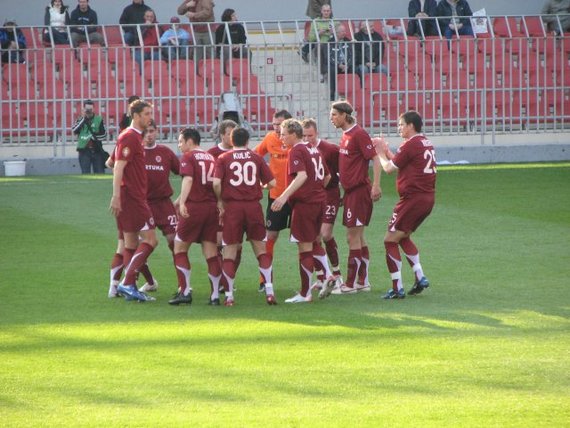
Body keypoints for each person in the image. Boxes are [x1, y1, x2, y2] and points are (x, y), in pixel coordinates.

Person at [374, 110, 436, 299]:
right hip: (427, 198)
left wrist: (379, 154)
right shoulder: (425, 142)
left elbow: (389, 168)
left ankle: (397, 288)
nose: (398, 128)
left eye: (401, 124)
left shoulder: (410, 144)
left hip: (412, 199)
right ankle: (420, 276)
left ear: (411, 125)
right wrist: (386, 151)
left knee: (389, 240)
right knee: (403, 237)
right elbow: (402, 161)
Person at [213, 127, 277, 306]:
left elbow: (216, 183)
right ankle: (270, 292)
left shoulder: (223, 158)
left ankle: (229, 296)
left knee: (230, 252)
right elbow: (272, 182)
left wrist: (220, 200)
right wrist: (258, 186)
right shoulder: (256, 157)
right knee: (261, 250)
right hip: (253, 207)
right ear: (248, 141)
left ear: (231, 140)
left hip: (232, 208)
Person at [271, 119, 331, 303]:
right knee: (314, 243)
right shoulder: (314, 149)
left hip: (306, 205)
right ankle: (327, 275)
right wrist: (317, 191)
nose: (281, 137)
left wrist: (283, 196)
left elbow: (302, 176)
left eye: (283, 133)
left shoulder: (297, 150)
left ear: (293, 134)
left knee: (304, 247)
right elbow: (327, 176)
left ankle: (306, 293)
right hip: (319, 202)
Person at [325, 101, 381, 296]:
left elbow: (374, 157)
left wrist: (376, 184)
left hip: (359, 192)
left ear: (343, 115)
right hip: (350, 193)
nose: (331, 118)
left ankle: (349, 284)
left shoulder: (358, 134)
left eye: (333, 115)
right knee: (359, 236)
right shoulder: (346, 135)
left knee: (352, 237)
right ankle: (362, 281)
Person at [110, 99, 158, 302]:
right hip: (133, 199)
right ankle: (127, 283)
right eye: (146, 114)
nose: (150, 117)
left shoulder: (134, 137)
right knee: (151, 240)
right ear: (136, 116)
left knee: (130, 243)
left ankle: (127, 288)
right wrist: (117, 195)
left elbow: (115, 163)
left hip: (131, 196)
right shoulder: (129, 137)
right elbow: (118, 166)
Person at [171, 127, 222, 305]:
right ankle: (215, 296)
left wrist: (183, 202)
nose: (179, 145)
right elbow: (213, 183)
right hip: (211, 208)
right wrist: (179, 199)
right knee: (211, 253)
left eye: (180, 141)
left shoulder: (188, 157)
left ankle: (185, 292)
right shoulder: (210, 157)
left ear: (190, 141)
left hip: (194, 208)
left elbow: (189, 180)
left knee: (179, 249)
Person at [138, 120, 180, 292]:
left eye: (152, 131)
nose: (149, 134)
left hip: (164, 204)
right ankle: (149, 282)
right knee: (140, 246)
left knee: (175, 243)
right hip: (143, 205)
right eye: (146, 131)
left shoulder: (165, 152)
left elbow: (185, 173)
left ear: (157, 132)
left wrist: (181, 198)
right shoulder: (137, 152)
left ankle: (183, 286)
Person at [301, 119, 343, 293]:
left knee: (325, 234)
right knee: (314, 237)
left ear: (316, 133)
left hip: (329, 195)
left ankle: (337, 275)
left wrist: (343, 191)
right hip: (313, 198)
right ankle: (321, 277)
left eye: (310, 136)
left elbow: (342, 171)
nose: (307, 139)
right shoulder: (301, 150)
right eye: (304, 136)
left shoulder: (331, 149)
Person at [253, 109, 292, 292]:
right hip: (276, 196)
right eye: (274, 124)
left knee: (309, 238)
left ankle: (321, 278)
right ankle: (265, 279)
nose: (276, 128)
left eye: (280, 125)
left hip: (297, 197)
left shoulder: (297, 142)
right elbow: (254, 156)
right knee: (270, 236)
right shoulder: (269, 139)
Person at [72, 99, 107, 174]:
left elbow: (104, 135)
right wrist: (84, 119)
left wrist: (93, 137)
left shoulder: (99, 119)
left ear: (94, 109)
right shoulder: (80, 120)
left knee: (100, 173)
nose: (89, 111)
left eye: (90, 109)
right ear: (83, 109)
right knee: (85, 173)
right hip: (84, 150)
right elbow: (74, 130)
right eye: (87, 109)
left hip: (96, 150)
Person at [177, 0, 215, 67]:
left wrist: (194, 15)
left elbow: (207, 12)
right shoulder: (190, 1)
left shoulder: (205, 1)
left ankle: (213, 71)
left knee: (211, 52)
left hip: (207, 30)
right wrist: (187, 5)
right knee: (197, 54)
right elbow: (179, 11)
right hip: (196, 31)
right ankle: (196, 72)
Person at [301, 2, 333, 69]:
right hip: (321, 46)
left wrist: (333, 32)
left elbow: (341, 34)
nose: (326, 12)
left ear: (330, 11)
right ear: (322, 11)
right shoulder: (316, 22)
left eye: (328, 11)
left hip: (332, 46)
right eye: (324, 11)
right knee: (321, 47)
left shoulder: (335, 22)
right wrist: (318, 33)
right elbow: (310, 38)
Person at [327, 24, 355, 101]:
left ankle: (351, 94)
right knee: (332, 69)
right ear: (336, 33)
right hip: (336, 65)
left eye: (345, 31)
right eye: (342, 31)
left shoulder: (347, 41)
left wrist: (347, 65)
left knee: (354, 68)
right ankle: (332, 96)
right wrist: (339, 65)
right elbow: (329, 57)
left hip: (346, 65)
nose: (344, 33)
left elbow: (351, 55)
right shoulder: (330, 42)